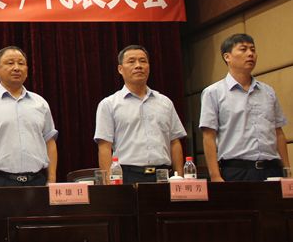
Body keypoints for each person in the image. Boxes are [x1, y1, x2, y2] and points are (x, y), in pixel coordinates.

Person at [199, 33, 289, 181]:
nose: (250, 54)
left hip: (273, 169)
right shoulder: (213, 92)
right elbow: (209, 136)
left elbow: (278, 132)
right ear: (227, 57)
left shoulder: (268, 91)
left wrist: (287, 171)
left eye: (253, 50)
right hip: (237, 171)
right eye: (243, 49)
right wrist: (215, 176)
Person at [0, 46, 57, 187]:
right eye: (10, 63)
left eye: (21, 63)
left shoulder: (40, 103)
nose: (16, 68)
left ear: (27, 70)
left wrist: (52, 180)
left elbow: (49, 142)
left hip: (37, 181)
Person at [94, 45, 186, 183]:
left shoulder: (165, 102)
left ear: (149, 67)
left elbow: (175, 142)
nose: (138, 66)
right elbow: (104, 147)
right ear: (120, 69)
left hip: (163, 175)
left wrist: (180, 178)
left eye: (143, 61)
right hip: (127, 175)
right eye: (131, 61)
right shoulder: (109, 104)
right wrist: (109, 182)